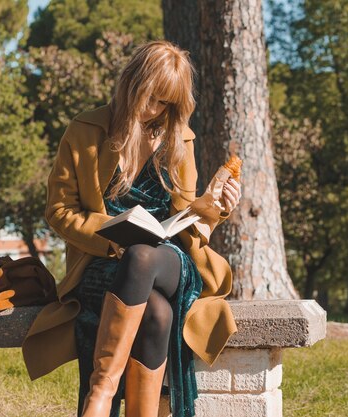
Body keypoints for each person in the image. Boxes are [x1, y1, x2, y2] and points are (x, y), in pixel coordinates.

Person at [22, 40, 241, 417]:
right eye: (150, 97)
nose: (154, 110)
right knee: (157, 314)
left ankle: (100, 396)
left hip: (170, 261)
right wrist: (112, 238)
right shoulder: (86, 130)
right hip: (104, 260)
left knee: (143, 255)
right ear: (130, 83)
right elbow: (59, 211)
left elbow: (186, 217)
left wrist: (216, 209)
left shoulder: (180, 138)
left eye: (165, 103)